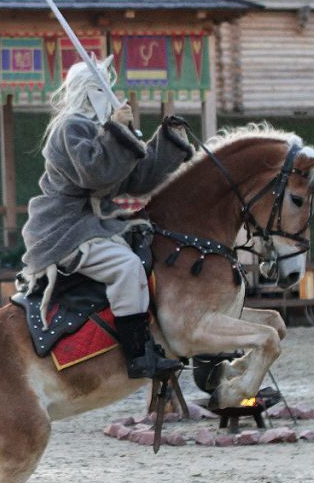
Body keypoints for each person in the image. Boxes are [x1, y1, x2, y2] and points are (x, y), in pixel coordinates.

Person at [19, 55, 194, 380]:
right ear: (87, 91)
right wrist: (116, 131)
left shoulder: (97, 130)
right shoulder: (69, 128)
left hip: (93, 223)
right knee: (126, 267)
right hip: (65, 228)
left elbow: (135, 181)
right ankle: (136, 355)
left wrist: (166, 145)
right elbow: (95, 174)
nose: (111, 95)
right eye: (103, 89)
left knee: (150, 254)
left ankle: (155, 339)